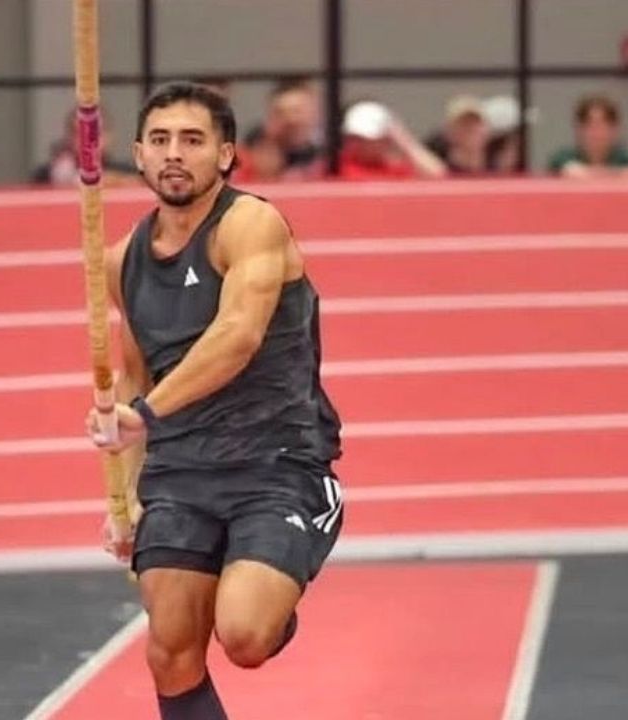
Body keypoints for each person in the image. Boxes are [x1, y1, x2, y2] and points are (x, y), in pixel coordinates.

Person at [86, 82, 343, 720]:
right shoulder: (122, 262)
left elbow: (236, 336)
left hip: (274, 463)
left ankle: (267, 599)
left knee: (246, 638)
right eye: (162, 140)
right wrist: (125, 495)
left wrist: (142, 415)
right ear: (140, 155)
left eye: (194, 141)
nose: (176, 154)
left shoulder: (251, 223)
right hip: (181, 473)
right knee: (170, 652)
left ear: (226, 155)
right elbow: (134, 378)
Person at [547, 94, 628, 178]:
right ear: (578, 128)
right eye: (590, 125)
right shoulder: (563, 157)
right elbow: (573, 173)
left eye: (604, 126)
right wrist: (626, 175)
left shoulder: (622, 157)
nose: (597, 133)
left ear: (615, 129)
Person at [336, 100, 445, 179]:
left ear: (385, 139)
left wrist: (404, 141)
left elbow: (437, 175)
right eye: (353, 137)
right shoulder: (336, 167)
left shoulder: (397, 169)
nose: (357, 144)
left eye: (365, 139)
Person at [32, 106, 139, 187]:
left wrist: (113, 181)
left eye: (96, 133)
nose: (90, 142)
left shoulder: (128, 171)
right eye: (81, 134)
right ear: (69, 137)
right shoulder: (47, 175)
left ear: (110, 136)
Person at [424, 95, 492, 175]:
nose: (471, 129)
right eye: (464, 124)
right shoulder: (437, 169)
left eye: (476, 123)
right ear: (449, 131)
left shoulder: (500, 167)